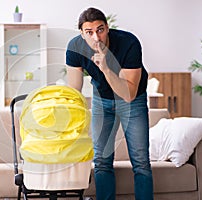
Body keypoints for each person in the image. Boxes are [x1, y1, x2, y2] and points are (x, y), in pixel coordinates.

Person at [65, 7, 153, 200]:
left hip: (132, 100)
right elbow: (74, 89)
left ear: (107, 28)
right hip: (101, 100)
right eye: (89, 32)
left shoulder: (129, 43)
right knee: (102, 160)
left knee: (141, 162)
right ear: (81, 33)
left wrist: (105, 67)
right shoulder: (75, 47)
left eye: (100, 30)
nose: (96, 37)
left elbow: (128, 94)